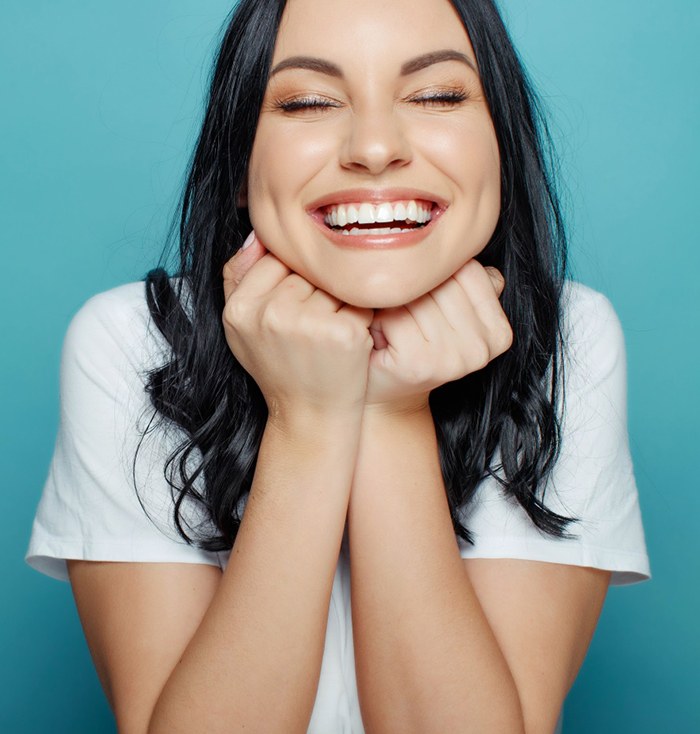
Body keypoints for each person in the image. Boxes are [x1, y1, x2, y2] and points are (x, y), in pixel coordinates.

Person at [26, 0, 651, 731]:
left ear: (502, 145)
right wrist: (311, 420)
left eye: (438, 95)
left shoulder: (567, 338)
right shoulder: (134, 342)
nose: (377, 147)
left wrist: (392, 409)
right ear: (238, 163)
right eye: (309, 101)